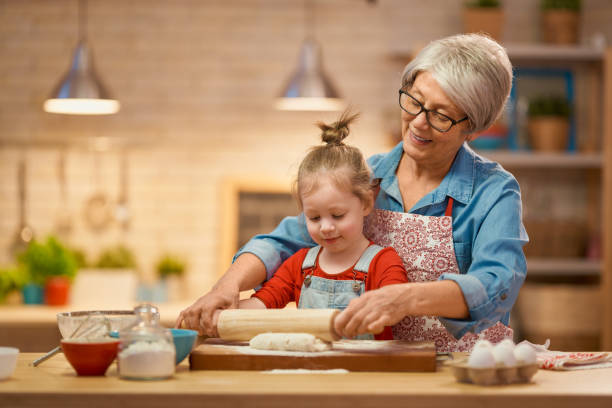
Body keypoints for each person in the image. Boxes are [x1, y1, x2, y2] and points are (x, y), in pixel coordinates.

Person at [176, 33, 528, 352]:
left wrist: (406, 298)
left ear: (473, 127)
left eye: (441, 115)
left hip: (459, 375)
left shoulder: (493, 192)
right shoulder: (365, 176)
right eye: (415, 102)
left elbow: (496, 284)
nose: (419, 121)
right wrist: (226, 287)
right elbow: (283, 242)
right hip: (371, 369)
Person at [236, 112, 409, 340]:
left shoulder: (384, 262)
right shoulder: (299, 265)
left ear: (366, 203)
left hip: (368, 372)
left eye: (337, 215)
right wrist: (223, 313)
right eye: (314, 218)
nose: (326, 227)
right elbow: (262, 303)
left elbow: (395, 305)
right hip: (312, 370)